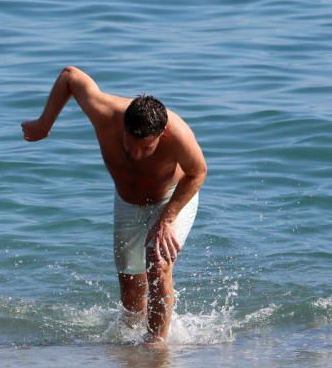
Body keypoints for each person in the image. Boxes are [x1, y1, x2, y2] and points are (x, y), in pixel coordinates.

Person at [21, 67, 207, 342]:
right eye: (130, 144)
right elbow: (70, 76)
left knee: (158, 264)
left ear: (162, 134)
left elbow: (198, 172)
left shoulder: (178, 135)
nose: (136, 154)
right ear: (123, 127)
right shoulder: (104, 113)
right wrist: (44, 123)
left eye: (146, 148)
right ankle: (132, 354)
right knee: (131, 296)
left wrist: (167, 220)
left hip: (170, 200)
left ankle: (157, 347)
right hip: (128, 203)